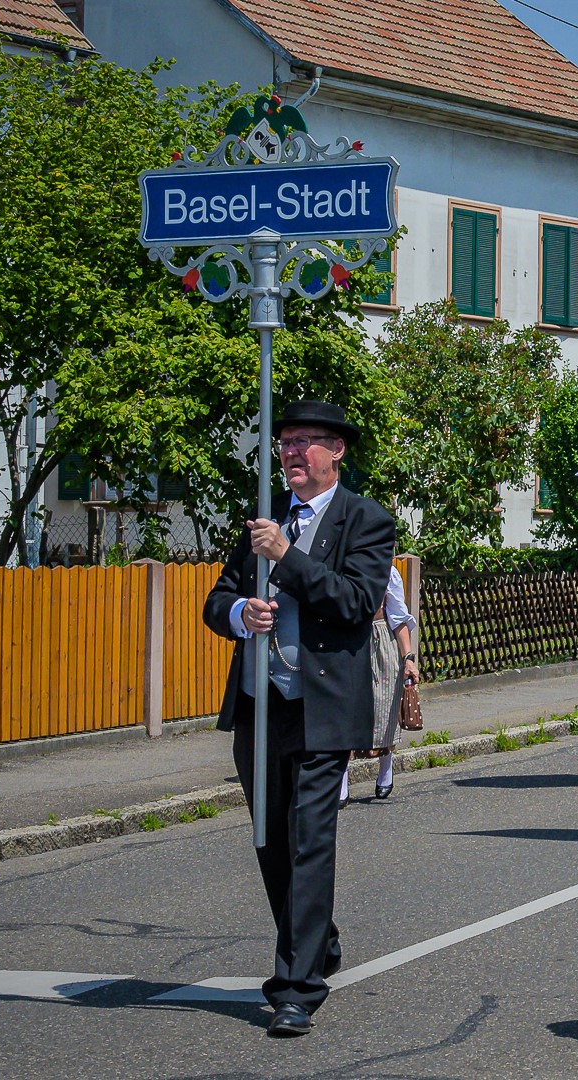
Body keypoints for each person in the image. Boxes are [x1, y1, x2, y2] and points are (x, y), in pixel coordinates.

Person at [203, 400, 395, 1036]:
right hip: (262, 704)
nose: (290, 453)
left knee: (310, 838)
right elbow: (219, 598)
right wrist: (240, 615)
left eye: (304, 442)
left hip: (323, 709)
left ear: (335, 450)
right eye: (283, 442)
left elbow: (355, 601)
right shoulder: (264, 517)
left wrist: (286, 556)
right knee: (273, 842)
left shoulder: (365, 519)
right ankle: (317, 937)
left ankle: (296, 987)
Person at [340, 564, 419, 807]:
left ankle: (386, 766)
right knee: (344, 708)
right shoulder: (336, 565)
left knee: (384, 705)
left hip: (380, 637)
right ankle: (341, 782)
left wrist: (408, 658)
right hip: (346, 639)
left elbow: (398, 618)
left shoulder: (387, 571)